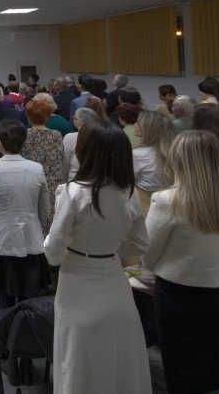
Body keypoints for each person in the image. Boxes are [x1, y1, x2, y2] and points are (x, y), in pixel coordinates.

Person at [44, 121, 151, 394]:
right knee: (120, 354)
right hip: (114, 278)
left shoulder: (73, 192)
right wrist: (110, 246)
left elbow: (53, 251)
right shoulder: (128, 191)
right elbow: (140, 242)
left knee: (77, 355)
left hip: (77, 279)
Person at [145, 130, 219, 394]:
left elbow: (148, 252)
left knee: (181, 367)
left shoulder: (167, 200)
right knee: (215, 365)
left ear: (179, 160)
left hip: (179, 294)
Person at [0, 119, 50, 306]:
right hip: (31, 239)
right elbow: (44, 210)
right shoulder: (37, 169)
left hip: (1, 241)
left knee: (4, 298)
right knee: (29, 297)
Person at [20, 93, 64, 235]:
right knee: (48, 228)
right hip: (51, 185)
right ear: (47, 117)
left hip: (29, 184)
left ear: (28, 116)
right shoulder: (56, 135)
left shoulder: (24, 135)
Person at [131, 110, 176, 217]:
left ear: (148, 129)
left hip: (146, 204)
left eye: (138, 123)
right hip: (173, 203)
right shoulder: (175, 152)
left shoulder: (137, 154)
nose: (134, 124)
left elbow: (125, 181)